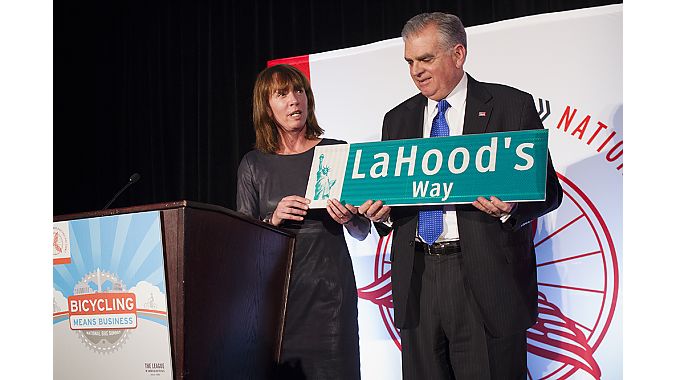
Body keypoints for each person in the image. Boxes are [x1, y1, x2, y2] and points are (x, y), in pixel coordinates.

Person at [358, 13, 563, 379]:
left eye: (426, 59)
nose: (416, 71)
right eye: (409, 61)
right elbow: (394, 200)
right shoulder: (397, 120)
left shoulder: (510, 106)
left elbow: (548, 191)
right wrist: (382, 213)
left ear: (457, 54)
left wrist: (512, 207)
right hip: (417, 278)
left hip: (484, 278)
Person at [236, 64, 368, 379]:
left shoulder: (336, 151)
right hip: (279, 298)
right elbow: (240, 242)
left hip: (330, 293)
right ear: (266, 107)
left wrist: (349, 218)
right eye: (282, 94)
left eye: (298, 91)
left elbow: (363, 230)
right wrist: (273, 219)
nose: (294, 100)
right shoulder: (253, 164)